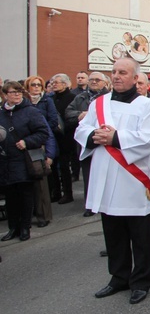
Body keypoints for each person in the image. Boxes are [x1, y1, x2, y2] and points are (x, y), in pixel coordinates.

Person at [75, 58, 150, 304]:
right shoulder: (100, 103)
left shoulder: (146, 105)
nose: (116, 76)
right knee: (113, 233)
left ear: (135, 78)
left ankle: (141, 281)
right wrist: (94, 135)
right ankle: (119, 277)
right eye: (113, 72)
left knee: (140, 236)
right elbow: (81, 129)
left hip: (133, 179)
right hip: (105, 176)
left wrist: (115, 137)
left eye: (123, 72)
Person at [0, 81, 50, 242]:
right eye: (13, 92)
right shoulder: (1, 112)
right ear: (5, 94)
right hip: (5, 161)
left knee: (25, 194)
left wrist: (27, 142)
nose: (17, 94)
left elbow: (43, 133)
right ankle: (13, 227)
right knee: (10, 196)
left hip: (24, 160)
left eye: (19, 91)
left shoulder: (30, 111)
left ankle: (25, 227)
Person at [65, 72, 109, 216]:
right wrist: (80, 115)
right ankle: (90, 205)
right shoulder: (80, 97)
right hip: (87, 141)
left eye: (98, 80)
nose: (94, 82)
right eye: (92, 80)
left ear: (105, 83)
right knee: (88, 174)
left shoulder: (109, 98)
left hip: (105, 142)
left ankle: (105, 202)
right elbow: (68, 113)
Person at [24, 76, 59, 227]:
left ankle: (43, 216)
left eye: (39, 85)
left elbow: (48, 133)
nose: (37, 87)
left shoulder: (36, 110)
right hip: (18, 154)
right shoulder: (8, 111)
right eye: (33, 85)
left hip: (37, 150)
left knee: (40, 185)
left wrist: (50, 155)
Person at [49, 73, 77, 204]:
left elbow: (73, 117)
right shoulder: (51, 98)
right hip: (54, 137)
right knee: (53, 166)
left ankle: (67, 193)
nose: (54, 84)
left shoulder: (72, 97)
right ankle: (56, 192)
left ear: (65, 84)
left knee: (64, 166)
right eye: (53, 82)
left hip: (67, 137)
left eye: (57, 82)